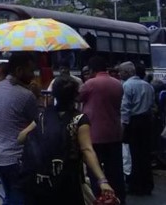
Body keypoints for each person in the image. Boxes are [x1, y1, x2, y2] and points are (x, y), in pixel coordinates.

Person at [18, 76, 115, 204]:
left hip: (42, 182)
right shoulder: (79, 119)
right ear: (75, 96)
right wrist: (102, 181)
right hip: (68, 181)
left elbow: (21, 137)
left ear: (54, 94)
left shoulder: (43, 116)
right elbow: (87, 150)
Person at [0, 52, 38, 205]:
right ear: (18, 71)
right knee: (19, 198)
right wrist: (38, 97)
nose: (33, 75)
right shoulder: (26, 95)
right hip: (17, 158)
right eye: (30, 71)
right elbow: (38, 121)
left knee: (9, 197)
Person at [78, 56, 127, 203]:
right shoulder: (117, 83)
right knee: (115, 171)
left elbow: (77, 97)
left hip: (94, 134)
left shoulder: (90, 83)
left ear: (92, 70)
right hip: (114, 132)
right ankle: (118, 199)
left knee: (95, 172)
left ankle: (100, 198)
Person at [119, 61, 155, 196]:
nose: (119, 74)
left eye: (121, 71)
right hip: (146, 121)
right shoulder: (147, 85)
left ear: (128, 72)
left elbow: (125, 108)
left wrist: (123, 126)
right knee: (145, 153)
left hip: (134, 122)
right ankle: (147, 184)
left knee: (133, 154)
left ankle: (135, 185)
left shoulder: (127, 86)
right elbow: (152, 104)